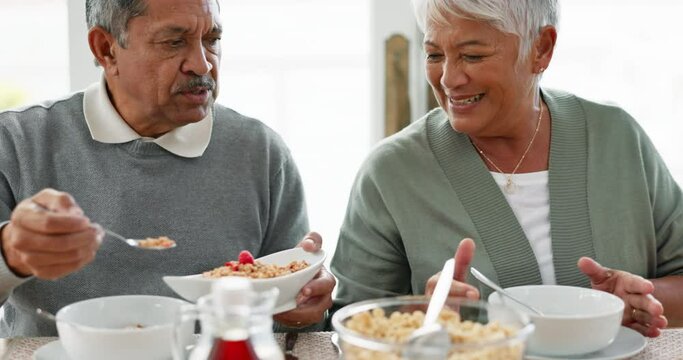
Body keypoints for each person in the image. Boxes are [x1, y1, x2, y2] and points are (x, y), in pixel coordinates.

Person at [331, 0, 683, 338]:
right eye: (435, 54)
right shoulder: (391, 172)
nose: (449, 78)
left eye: (472, 55)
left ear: (541, 49)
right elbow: (347, 328)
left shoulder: (617, 138)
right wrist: (419, 318)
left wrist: (639, 301)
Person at [0, 0, 335, 337]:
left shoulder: (261, 152)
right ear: (106, 49)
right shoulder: (16, 143)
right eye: (174, 42)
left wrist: (301, 309)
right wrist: (10, 252)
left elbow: (293, 326)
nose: (202, 64)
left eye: (211, 39)